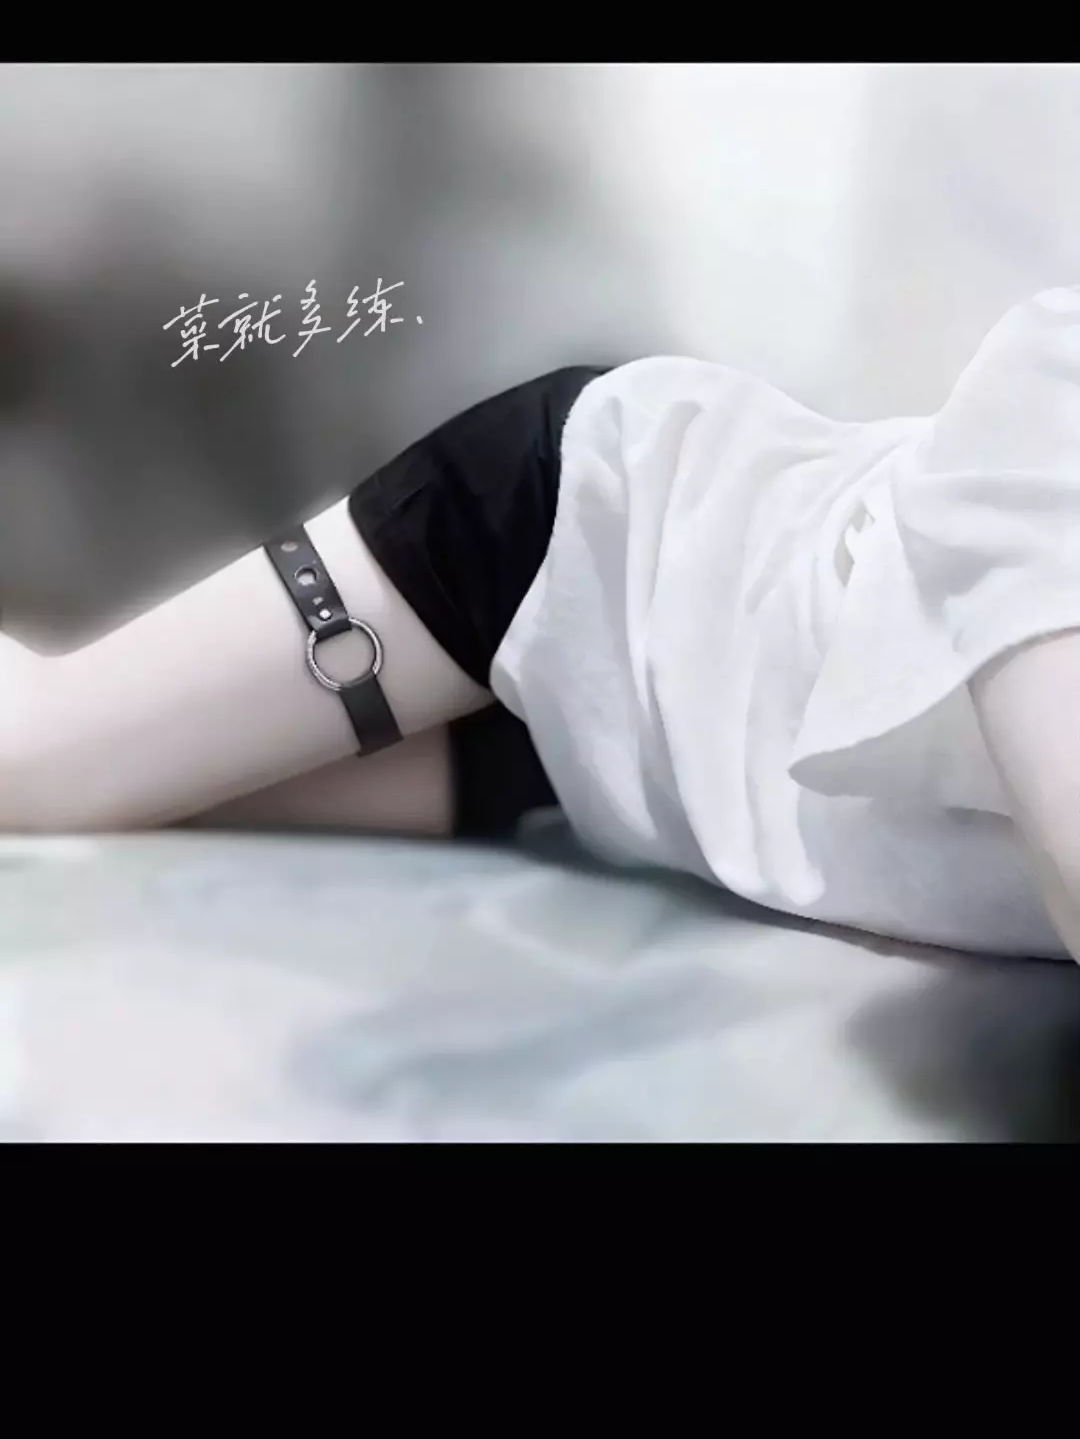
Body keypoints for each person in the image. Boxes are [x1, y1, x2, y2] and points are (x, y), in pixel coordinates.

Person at [3, 290, 1080, 967]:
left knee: (124, 796)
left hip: (607, 762)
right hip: (575, 558)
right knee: (32, 764)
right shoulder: (1055, 381)